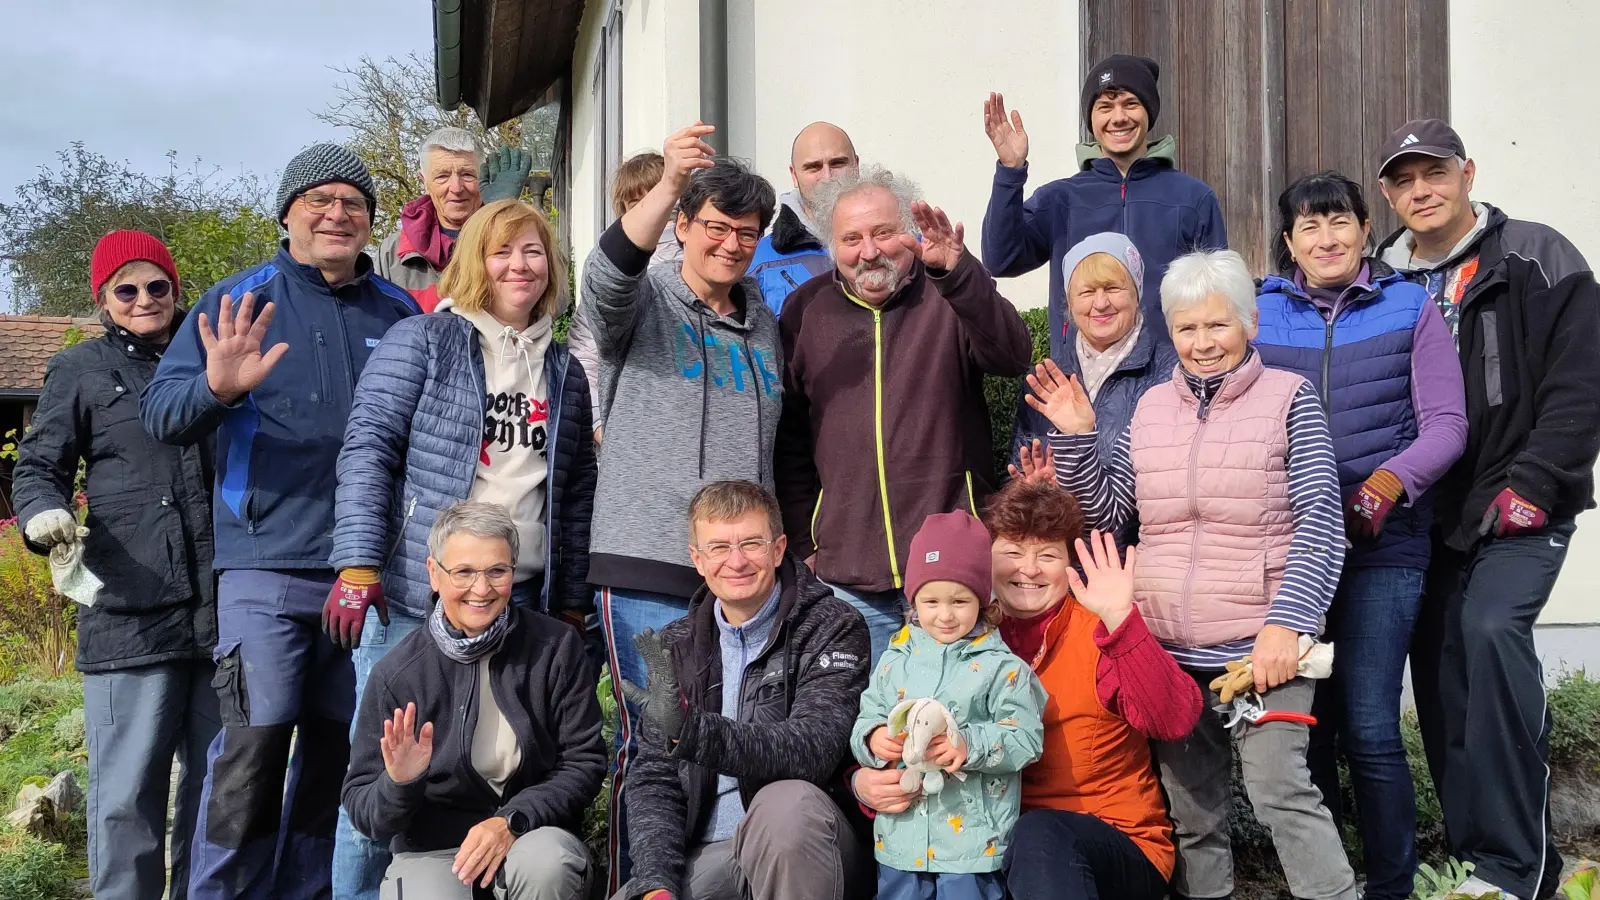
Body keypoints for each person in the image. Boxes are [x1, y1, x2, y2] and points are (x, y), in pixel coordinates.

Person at [141, 143, 420, 900]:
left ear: (371, 221)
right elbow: (162, 414)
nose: (338, 214)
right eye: (320, 200)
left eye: (354, 204)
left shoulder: (400, 312)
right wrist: (216, 388)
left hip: (369, 574)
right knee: (252, 752)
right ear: (288, 212)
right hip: (266, 566)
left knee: (339, 752)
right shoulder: (239, 301)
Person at [1034, 249, 1357, 900]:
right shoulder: (1150, 409)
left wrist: (1288, 625)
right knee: (1191, 812)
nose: (1203, 343)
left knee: (1279, 791)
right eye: (1187, 328)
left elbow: (1323, 519)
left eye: (1218, 325)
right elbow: (1109, 514)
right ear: (1170, 332)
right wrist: (1077, 437)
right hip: (1170, 651)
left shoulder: (1291, 399)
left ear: (1249, 324)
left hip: (1261, 647)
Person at [329, 198, 597, 900]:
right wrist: (358, 563)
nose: (520, 265)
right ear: (476, 258)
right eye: (504, 251)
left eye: (534, 252)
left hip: (522, 601)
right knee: (387, 782)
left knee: (513, 769)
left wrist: (567, 601)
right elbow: (369, 448)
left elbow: (572, 489)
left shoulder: (564, 370)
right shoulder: (425, 340)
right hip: (424, 600)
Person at [1375, 119, 1600, 900]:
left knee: (1490, 632)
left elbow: (1579, 383)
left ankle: (1520, 869)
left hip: (1520, 501)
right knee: (1441, 679)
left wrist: (1535, 484)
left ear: (1468, 173)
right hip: (1425, 518)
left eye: (1434, 173)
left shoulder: (1537, 256)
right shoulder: (1382, 278)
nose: (1421, 191)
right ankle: (1477, 864)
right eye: (1404, 181)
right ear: (1387, 195)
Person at [576, 124, 782, 892]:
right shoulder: (645, 301)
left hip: (736, 576)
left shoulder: (764, 323)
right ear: (684, 228)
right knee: (653, 743)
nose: (731, 244)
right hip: (646, 563)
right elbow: (605, 277)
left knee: (727, 742)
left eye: (746, 233)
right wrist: (667, 180)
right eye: (715, 227)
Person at [1252, 171, 1468, 900]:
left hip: (1386, 549)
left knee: (1372, 727)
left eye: (1339, 221)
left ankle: (1392, 886)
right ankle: (1328, 882)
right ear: (1288, 243)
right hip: (1295, 552)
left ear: (1365, 230)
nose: (1326, 238)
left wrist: (1388, 482)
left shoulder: (1410, 306)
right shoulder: (1259, 312)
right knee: (1308, 730)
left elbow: (1447, 424)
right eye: (1309, 227)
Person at [853, 479, 1204, 900]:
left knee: (1039, 834)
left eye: (1048, 555)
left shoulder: (1097, 632)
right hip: (978, 843)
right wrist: (863, 783)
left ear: (1070, 564)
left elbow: (1174, 719)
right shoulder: (946, 635)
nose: (1029, 569)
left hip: (1104, 838)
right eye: (1013, 552)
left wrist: (1120, 619)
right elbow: (886, 717)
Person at [11, 231, 219, 900]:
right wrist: (44, 517)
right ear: (103, 299)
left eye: (157, 286)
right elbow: (38, 466)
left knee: (217, 793)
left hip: (221, 606)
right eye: (126, 290)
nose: (144, 300)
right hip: (131, 607)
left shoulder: (212, 354)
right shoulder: (82, 370)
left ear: (176, 288)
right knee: (126, 797)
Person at [775, 166, 1033, 658]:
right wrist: (807, 544)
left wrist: (960, 276)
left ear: (909, 232)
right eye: (850, 238)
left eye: (883, 232)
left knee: (954, 724)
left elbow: (1013, 354)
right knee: (865, 728)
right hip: (848, 579)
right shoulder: (805, 310)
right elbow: (790, 439)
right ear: (831, 245)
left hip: (951, 575)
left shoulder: (946, 292)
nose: (868, 251)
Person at [612, 480, 873, 900]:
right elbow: (655, 777)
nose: (736, 561)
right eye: (718, 548)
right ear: (697, 560)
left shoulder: (832, 626)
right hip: (712, 854)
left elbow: (814, 748)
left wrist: (693, 733)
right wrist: (656, 883)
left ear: (778, 547)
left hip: (810, 846)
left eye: (751, 543)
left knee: (787, 808)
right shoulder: (675, 644)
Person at [342, 500, 604, 900]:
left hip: (529, 835)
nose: (481, 589)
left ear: (514, 572)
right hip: (433, 850)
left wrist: (513, 820)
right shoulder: (397, 674)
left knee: (548, 865)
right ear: (434, 573)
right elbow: (363, 809)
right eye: (463, 572)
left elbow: (584, 761)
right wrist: (400, 782)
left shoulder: (556, 647)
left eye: (497, 571)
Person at [851, 511, 1046, 900]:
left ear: (982, 600)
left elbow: (1026, 739)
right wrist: (873, 739)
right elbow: (865, 717)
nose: (944, 614)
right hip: (900, 839)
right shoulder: (894, 659)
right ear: (912, 601)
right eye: (931, 600)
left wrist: (968, 744)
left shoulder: (1003, 668)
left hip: (973, 845)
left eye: (959, 600)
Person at [982, 54, 1226, 354]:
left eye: (1130, 104)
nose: (1119, 117)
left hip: (1167, 384)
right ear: (1091, 119)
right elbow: (1001, 259)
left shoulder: (1193, 198)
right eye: (1105, 107)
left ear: (1149, 111)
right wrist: (1010, 171)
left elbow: (1217, 298)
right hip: (1080, 378)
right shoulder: (1061, 199)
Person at [1005, 232, 1178, 540]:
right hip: (1056, 562)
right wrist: (1033, 491)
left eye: (1113, 288)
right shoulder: (1048, 379)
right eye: (1086, 292)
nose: (1100, 304)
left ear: (1136, 294)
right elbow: (1016, 480)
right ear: (1069, 304)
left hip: (1130, 562)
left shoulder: (1168, 372)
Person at [568, 150, 684, 447]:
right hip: (629, 436)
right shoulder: (611, 275)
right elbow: (584, 360)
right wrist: (601, 429)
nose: (653, 209)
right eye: (637, 202)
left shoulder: (704, 266)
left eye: (659, 195)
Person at [376, 127, 532, 310]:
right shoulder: (393, 252)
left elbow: (556, 301)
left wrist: (504, 216)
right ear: (423, 181)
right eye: (442, 176)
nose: (456, 188)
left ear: (484, 176)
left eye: (467, 174)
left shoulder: (516, 235)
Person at [748, 121, 859, 314]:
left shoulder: (901, 245)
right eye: (813, 167)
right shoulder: (758, 260)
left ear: (856, 165)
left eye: (838, 163)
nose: (827, 177)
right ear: (794, 175)